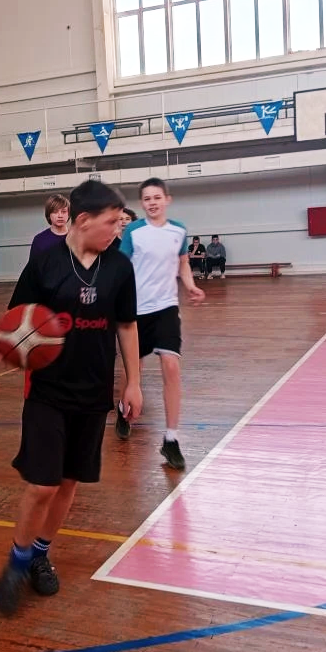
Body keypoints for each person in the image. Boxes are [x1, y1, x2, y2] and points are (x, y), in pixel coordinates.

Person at [0, 180, 143, 616]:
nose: (117, 229)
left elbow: (127, 325)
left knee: (69, 482)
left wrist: (133, 382)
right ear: (83, 220)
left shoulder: (119, 267)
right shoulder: (44, 264)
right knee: (43, 484)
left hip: (94, 392)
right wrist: (6, 342)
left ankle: (40, 553)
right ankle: (17, 562)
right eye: (111, 222)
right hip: (48, 391)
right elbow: (16, 319)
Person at [115, 178, 205, 470]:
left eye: (157, 197)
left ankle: (171, 438)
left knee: (171, 366)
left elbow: (183, 263)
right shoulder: (133, 232)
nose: (152, 202)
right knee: (134, 371)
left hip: (166, 308)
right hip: (136, 311)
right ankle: (123, 409)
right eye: (147, 199)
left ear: (167, 199)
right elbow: (120, 268)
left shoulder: (178, 230)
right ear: (142, 203)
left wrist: (190, 285)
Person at [29, 194, 69, 259]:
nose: (60, 215)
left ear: (68, 214)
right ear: (49, 215)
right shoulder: (39, 240)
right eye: (55, 212)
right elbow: (33, 265)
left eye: (63, 212)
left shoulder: (78, 238)